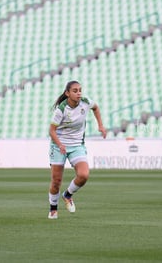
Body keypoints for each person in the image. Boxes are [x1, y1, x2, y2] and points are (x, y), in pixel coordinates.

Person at [48, 80, 106, 219]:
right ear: (67, 93)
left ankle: (67, 195)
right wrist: (60, 144)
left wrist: (101, 126)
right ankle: (53, 209)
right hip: (58, 146)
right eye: (75, 91)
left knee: (84, 175)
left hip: (77, 145)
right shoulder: (61, 110)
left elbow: (96, 108)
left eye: (80, 90)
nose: (79, 93)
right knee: (56, 181)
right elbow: (52, 131)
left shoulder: (85, 102)